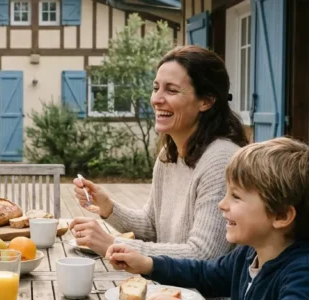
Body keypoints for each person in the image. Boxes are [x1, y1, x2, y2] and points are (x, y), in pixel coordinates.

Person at [70, 45, 249, 258]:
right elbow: (152, 226)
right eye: (156, 88)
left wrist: (112, 244)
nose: (156, 100)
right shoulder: (169, 155)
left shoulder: (221, 160)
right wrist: (108, 207)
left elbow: (204, 255)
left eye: (171, 90)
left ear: (206, 101)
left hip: (204, 283)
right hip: (169, 279)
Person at [107, 137, 309, 300]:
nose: (222, 204)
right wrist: (148, 263)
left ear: (281, 215)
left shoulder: (307, 277)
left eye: (236, 197)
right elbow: (204, 274)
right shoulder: (249, 254)